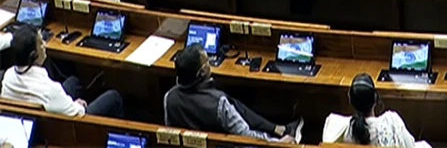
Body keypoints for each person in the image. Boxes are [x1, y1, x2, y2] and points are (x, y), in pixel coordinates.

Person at [166, 43, 299, 142]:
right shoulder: (218, 102)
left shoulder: (169, 97)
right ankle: (279, 130)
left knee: (235, 103)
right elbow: (246, 138)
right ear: (201, 72)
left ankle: (277, 128)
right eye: (207, 62)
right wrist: (277, 143)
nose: (210, 63)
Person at [3, 26, 124, 117]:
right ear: (34, 55)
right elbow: (78, 113)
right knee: (113, 97)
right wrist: (77, 105)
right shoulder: (50, 90)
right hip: (70, 127)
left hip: (37, 117)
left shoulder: (8, 77)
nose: (44, 44)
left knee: (73, 82)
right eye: (41, 43)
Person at [321, 74, 424, 147]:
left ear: (350, 99)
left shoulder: (334, 128)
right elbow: (410, 145)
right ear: (375, 98)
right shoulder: (392, 123)